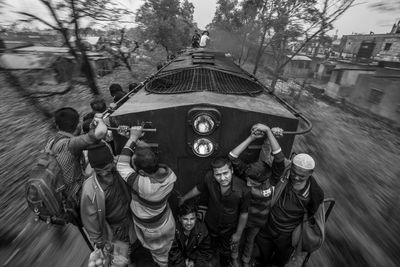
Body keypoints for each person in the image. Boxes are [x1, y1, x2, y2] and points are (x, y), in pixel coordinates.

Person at [117, 126, 177, 267]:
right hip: (166, 221)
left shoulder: (144, 186)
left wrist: (132, 138)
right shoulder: (170, 175)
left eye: (133, 165)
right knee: (166, 249)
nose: (131, 167)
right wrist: (133, 137)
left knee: (160, 255)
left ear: (142, 172)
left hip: (153, 230)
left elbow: (121, 165)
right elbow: (146, 155)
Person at [228, 123, 286, 267]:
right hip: (242, 218)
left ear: (265, 179)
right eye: (248, 180)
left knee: (250, 240)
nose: (249, 184)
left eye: (253, 183)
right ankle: (234, 258)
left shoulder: (272, 180)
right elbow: (232, 156)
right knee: (237, 238)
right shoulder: (246, 173)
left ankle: (246, 260)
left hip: (259, 221)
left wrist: (268, 131)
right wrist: (251, 138)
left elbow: (279, 157)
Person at [256, 149, 324, 267]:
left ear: (311, 173)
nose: (296, 178)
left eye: (301, 176)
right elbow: (267, 156)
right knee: (262, 255)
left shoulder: (314, 194)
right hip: (268, 226)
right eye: (294, 173)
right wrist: (269, 133)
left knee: (280, 261)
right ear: (291, 166)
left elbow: (315, 218)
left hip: (287, 236)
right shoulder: (285, 171)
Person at [179, 157, 251, 267]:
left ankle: (226, 262)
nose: (222, 178)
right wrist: (184, 198)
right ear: (213, 174)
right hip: (210, 224)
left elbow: (244, 214)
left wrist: (238, 233)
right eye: (218, 174)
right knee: (208, 246)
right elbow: (199, 188)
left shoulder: (243, 189)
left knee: (226, 250)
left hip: (229, 228)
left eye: (225, 173)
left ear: (231, 170)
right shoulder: (209, 178)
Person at [80, 142, 136, 265]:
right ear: (95, 169)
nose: (105, 173)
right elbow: (90, 217)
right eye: (100, 170)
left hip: (130, 220)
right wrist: (98, 240)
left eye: (107, 168)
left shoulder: (119, 170)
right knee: (121, 260)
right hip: (115, 230)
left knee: (134, 248)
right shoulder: (89, 189)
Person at [48, 108, 107, 214]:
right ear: (78, 124)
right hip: (78, 195)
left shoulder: (52, 142)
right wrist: (99, 120)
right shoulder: (70, 144)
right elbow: (100, 133)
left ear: (57, 126)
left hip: (63, 199)